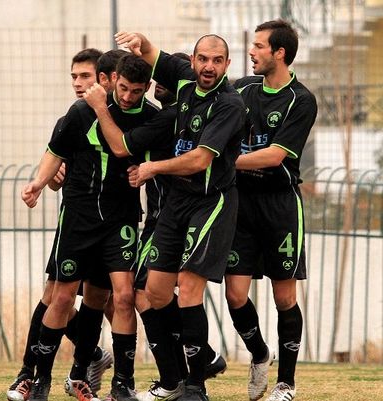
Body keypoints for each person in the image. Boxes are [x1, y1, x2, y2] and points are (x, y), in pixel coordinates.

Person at [83, 50, 228, 401]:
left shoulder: (175, 117)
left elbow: (123, 147)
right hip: (160, 216)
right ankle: (191, 366)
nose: (158, 88)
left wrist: (102, 108)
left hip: (180, 214)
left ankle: (182, 378)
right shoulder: (163, 117)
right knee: (144, 293)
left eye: (163, 82)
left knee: (154, 293)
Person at [22, 53, 159, 401]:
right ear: (114, 81)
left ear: (146, 90)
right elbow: (55, 151)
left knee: (123, 296)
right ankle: (40, 379)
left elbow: (140, 154)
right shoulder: (81, 111)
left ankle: (122, 384)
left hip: (121, 219)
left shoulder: (149, 117)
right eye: (124, 88)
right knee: (62, 296)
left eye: (137, 91)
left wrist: (146, 169)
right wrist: (38, 183)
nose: (128, 97)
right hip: (80, 217)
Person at [116, 31, 245, 401]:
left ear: (226, 65)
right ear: (193, 61)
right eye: (203, 59)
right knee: (153, 293)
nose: (209, 67)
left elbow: (200, 159)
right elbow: (154, 55)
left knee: (189, 289)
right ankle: (176, 377)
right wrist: (140, 40)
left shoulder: (229, 105)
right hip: (177, 202)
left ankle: (195, 386)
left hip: (211, 202)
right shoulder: (186, 81)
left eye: (217, 61)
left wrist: (153, 168)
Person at [7, 48, 114, 401]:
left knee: (107, 299)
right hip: (76, 221)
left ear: (104, 78)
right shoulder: (74, 116)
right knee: (56, 296)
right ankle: (33, 373)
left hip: (112, 225)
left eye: (85, 76)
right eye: (74, 77)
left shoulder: (121, 117)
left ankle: (88, 365)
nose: (78, 83)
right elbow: (55, 167)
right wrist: (46, 182)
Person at [225, 19, 317, 401]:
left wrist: (217, 162)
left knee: (284, 299)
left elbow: (276, 155)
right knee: (234, 294)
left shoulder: (301, 99)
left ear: (279, 53)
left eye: (260, 46)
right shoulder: (241, 89)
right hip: (240, 205)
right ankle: (260, 353)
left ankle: (286, 383)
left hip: (279, 207)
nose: (252, 51)